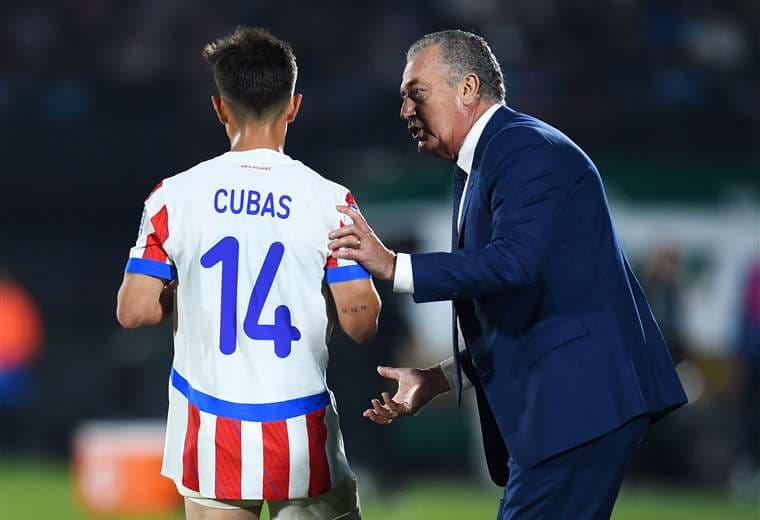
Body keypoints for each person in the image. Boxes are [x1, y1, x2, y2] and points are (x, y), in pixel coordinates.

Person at [328, 30, 687, 519]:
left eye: (417, 93)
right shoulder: (491, 160)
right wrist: (440, 378)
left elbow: (513, 264)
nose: (406, 110)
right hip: (569, 402)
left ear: (467, 88)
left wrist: (394, 265)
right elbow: (533, 308)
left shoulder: (524, 149)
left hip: (577, 402)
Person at [116, 27, 380, 520]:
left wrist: (188, 292)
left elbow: (133, 312)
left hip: (209, 421)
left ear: (219, 108)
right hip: (299, 425)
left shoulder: (172, 197)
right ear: (294, 106)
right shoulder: (330, 201)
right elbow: (361, 323)